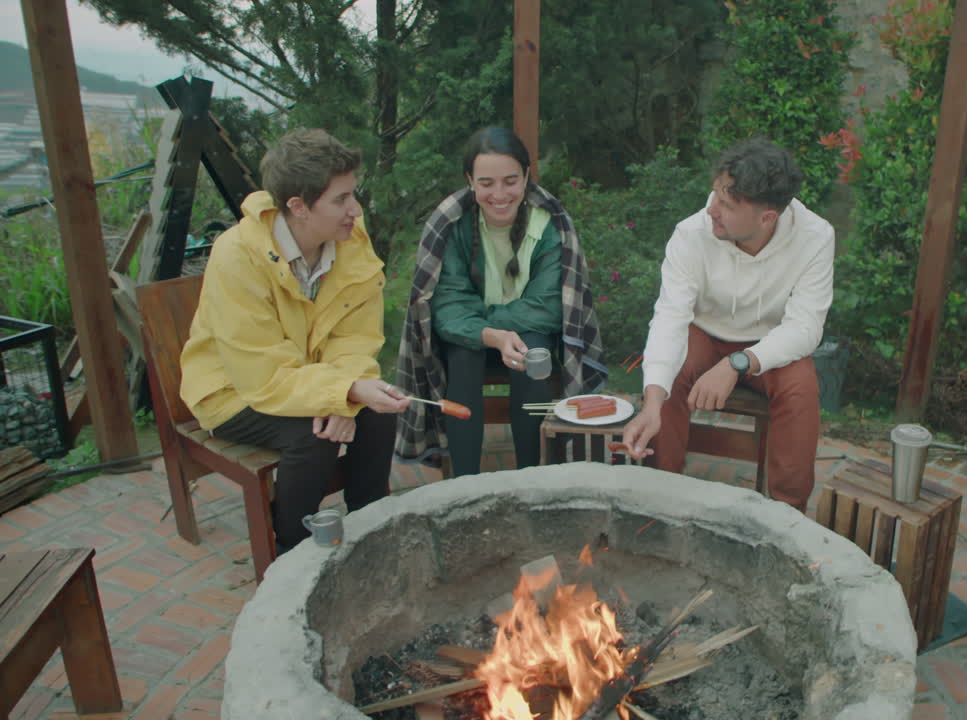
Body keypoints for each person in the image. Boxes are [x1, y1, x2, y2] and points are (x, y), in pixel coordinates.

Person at [179, 128, 410, 552]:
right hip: (234, 390)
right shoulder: (237, 255)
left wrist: (347, 395)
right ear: (298, 206)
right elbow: (263, 375)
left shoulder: (350, 240)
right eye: (341, 199)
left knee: (378, 413)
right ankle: (293, 553)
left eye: (353, 194)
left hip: (310, 377)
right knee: (313, 436)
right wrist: (342, 392)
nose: (355, 210)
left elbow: (355, 337)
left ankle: (371, 532)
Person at [621, 138, 834, 511]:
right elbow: (670, 316)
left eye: (727, 205)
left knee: (801, 389)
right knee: (669, 376)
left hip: (770, 342)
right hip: (704, 333)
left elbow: (805, 327)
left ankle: (788, 516)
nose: (711, 210)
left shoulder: (815, 237)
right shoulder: (691, 233)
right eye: (715, 194)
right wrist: (652, 401)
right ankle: (659, 501)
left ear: (767, 218)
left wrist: (736, 363)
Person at [396, 127, 607, 474]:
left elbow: (549, 306)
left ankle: (531, 475)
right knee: (463, 356)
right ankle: (464, 483)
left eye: (510, 181)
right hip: (471, 339)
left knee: (533, 353)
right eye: (486, 183)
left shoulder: (550, 224)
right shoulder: (452, 223)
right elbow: (446, 307)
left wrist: (483, 321)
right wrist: (489, 334)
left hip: (526, 333)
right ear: (470, 181)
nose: (499, 195)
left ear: (526, 176)